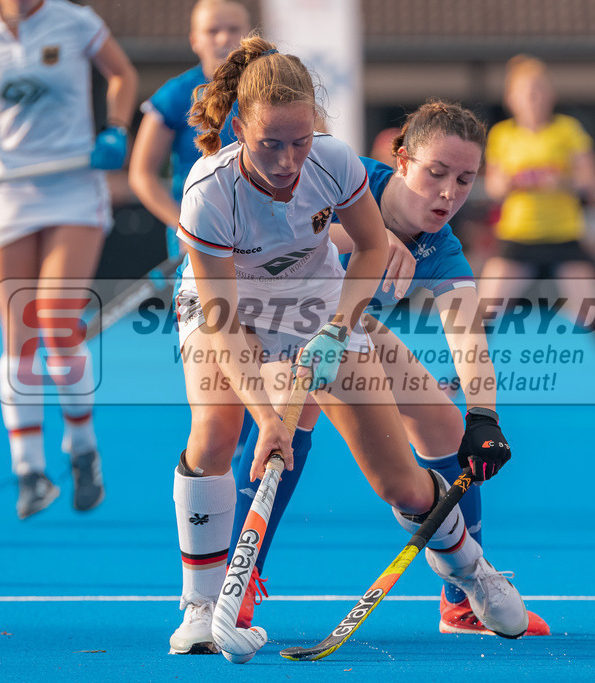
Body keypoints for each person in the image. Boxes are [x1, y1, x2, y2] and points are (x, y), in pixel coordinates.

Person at [168, 34, 528, 655]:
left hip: (319, 303)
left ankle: (469, 573)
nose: (286, 162)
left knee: (404, 484)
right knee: (220, 430)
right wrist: (267, 413)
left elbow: (371, 251)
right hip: (225, 305)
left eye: (299, 144)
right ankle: (207, 603)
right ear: (239, 130)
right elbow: (225, 321)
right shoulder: (208, 193)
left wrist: (337, 332)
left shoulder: (336, 165)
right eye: (269, 145)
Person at [229, 100, 550, 637]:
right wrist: (371, 238)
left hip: (342, 324)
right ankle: (236, 585)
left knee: (447, 425)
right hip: (260, 310)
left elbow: (469, 339)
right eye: (436, 173)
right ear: (401, 160)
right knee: (289, 419)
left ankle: (459, 602)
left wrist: (485, 416)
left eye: (466, 179)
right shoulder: (343, 174)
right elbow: (283, 221)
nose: (449, 192)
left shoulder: (443, 251)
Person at [0, 0, 138, 519]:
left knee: (56, 319)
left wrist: (115, 128)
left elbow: (123, 75)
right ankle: (29, 471)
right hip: (11, 191)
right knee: (17, 332)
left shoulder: (75, 21)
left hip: (73, 186)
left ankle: (83, 449)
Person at [478, 55, 595, 403]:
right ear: (511, 98)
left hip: (563, 236)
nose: (533, 98)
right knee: (485, 309)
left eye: (539, 90)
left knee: (590, 310)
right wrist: (519, 183)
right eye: (525, 92)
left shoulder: (567, 131)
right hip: (517, 236)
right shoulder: (502, 135)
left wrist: (557, 180)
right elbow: (495, 188)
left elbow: (590, 180)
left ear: (549, 95)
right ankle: (463, 380)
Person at [128, 0, 251, 262]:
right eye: (212, 30)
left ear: (249, 35)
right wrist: (182, 226)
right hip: (197, 230)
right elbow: (141, 175)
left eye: (233, 28)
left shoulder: (272, 88)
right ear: (195, 40)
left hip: (263, 225)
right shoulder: (175, 94)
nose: (224, 37)